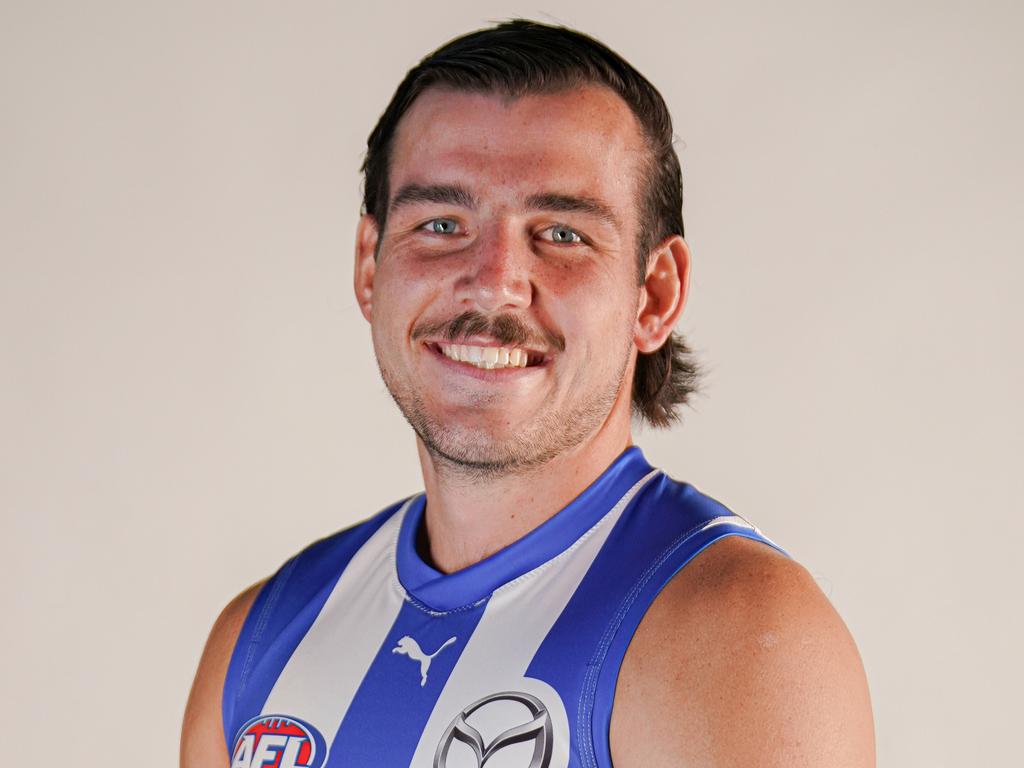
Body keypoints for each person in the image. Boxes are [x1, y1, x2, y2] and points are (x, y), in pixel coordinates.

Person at [181, 19, 874, 768]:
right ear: (369, 267)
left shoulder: (736, 635)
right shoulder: (258, 648)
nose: (495, 280)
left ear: (654, 296)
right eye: (442, 223)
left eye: (562, 233)